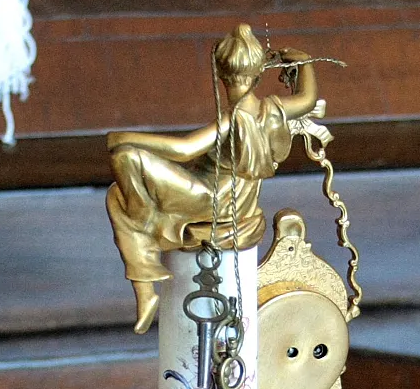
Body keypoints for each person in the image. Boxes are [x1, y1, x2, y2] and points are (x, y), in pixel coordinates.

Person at [105, 24, 320, 333]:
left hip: (212, 198)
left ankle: (145, 250)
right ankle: (146, 285)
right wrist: (304, 62)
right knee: (119, 194)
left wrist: (123, 136)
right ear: (258, 76)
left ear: (221, 79)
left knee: (123, 161)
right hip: (231, 199)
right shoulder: (274, 109)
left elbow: (184, 149)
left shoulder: (232, 118)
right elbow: (308, 98)